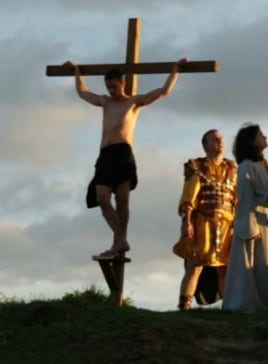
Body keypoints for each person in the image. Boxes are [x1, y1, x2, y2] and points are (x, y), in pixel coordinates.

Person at [64, 58, 188, 258]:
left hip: (123, 153)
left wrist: (176, 69)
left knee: (122, 200)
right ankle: (121, 239)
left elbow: (163, 91)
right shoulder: (104, 102)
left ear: (122, 83)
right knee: (102, 198)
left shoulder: (133, 103)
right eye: (108, 86)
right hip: (105, 155)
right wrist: (76, 71)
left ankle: (118, 243)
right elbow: (82, 93)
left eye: (114, 86)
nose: (111, 90)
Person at [172, 129, 237, 310]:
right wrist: (187, 221)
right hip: (203, 222)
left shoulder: (232, 169)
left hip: (226, 224)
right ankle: (184, 304)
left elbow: (235, 199)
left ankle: (228, 307)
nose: (220, 141)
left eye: (221, 139)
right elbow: (189, 197)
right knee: (195, 266)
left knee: (225, 268)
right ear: (206, 145)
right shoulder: (197, 167)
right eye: (214, 139)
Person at [222, 124, 268, 313]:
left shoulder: (262, 164)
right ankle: (248, 304)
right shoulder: (247, 166)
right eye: (260, 135)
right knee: (254, 264)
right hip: (256, 220)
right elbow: (245, 195)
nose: (264, 136)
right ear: (251, 141)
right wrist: (250, 227)